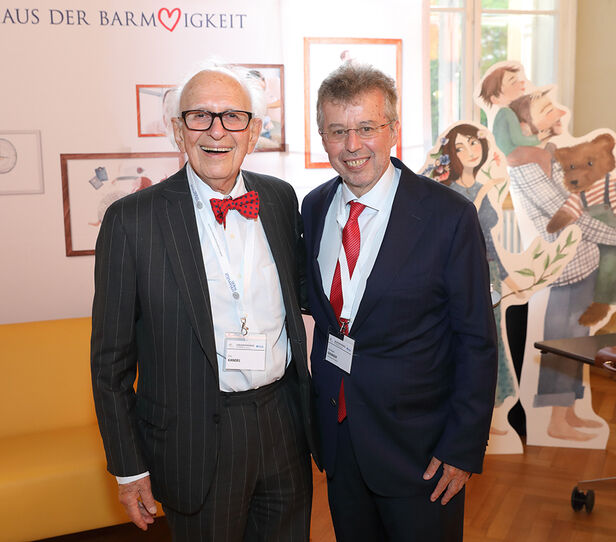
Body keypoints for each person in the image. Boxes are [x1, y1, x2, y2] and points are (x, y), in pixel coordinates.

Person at [91, 64, 317, 541]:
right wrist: (129, 469)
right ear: (178, 130)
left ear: (254, 132)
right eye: (200, 116)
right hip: (196, 438)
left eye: (233, 117)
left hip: (283, 423)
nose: (217, 131)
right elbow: (109, 364)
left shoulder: (279, 199)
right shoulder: (131, 221)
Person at [302, 63, 497, 541]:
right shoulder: (313, 207)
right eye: (337, 131)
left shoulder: (448, 216)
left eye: (367, 128)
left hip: (422, 451)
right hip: (340, 439)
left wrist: (462, 446)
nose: (352, 146)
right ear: (322, 136)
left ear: (393, 129)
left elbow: (475, 339)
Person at [508, 90, 613, 440]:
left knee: (577, 339)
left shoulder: (548, 154)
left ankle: (568, 414)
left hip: (583, 261)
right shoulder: (525, 165)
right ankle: (555, 421)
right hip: (564, 267)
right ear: (525, 124)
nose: (554, 111)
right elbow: (569, 215)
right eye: (544, 109)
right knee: (560, 340)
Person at [426, 123, 520, 435]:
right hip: (460, 274)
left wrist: (506, 276)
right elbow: (458, 228)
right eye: (460, 146)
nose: (469, 151)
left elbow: (489, 240)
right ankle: (468, 415)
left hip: (489, 270)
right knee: (466, 340)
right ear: (450, 153)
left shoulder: (483, 185)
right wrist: (484, 191)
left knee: (491, 341)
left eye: (473, 143)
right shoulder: (446, 191)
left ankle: (491, 412)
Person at [479, 63, 553, 177]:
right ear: (496, 98)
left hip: (508, 152)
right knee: (543, 155)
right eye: (513, 82)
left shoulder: (506, 112)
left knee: (549, 148)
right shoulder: (507, 113)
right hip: (510, 153)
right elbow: (518, 139)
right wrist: (537, 138)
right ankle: (548, 185)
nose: (522, 83)